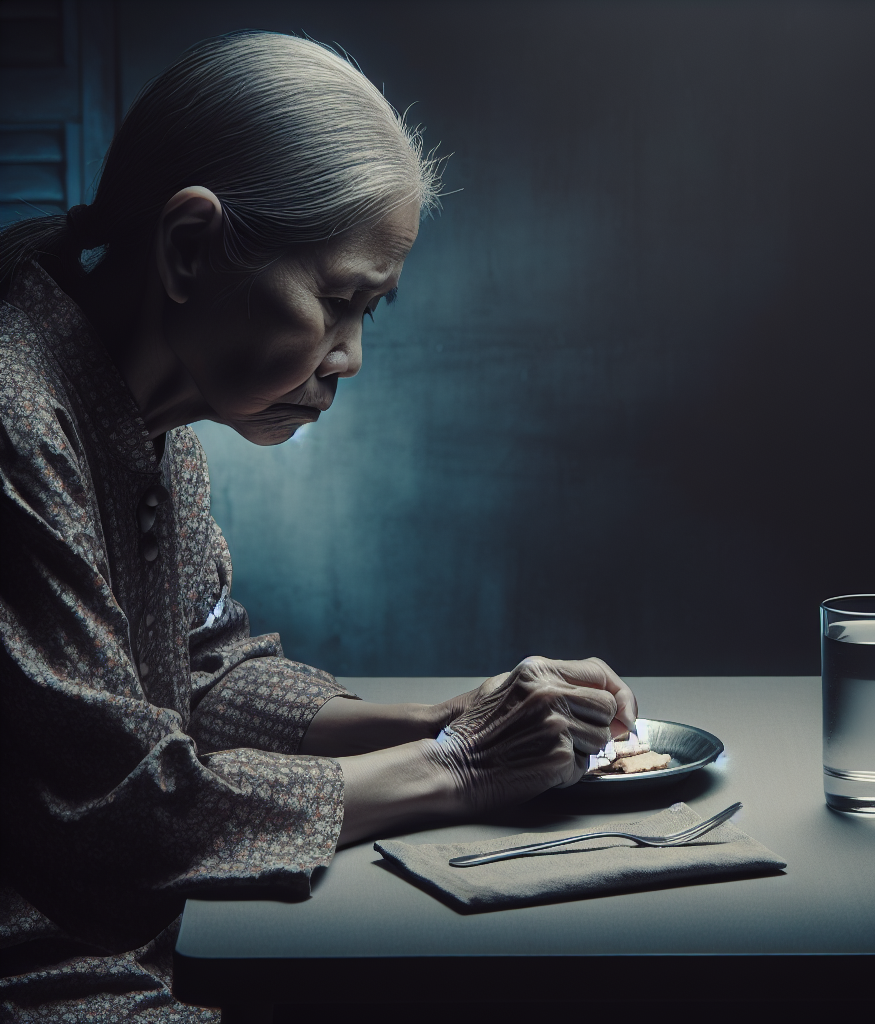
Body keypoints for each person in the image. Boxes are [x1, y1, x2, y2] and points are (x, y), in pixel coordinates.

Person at [0, 31, 637, 1022]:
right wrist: (457, 771)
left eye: (369, 313)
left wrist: (446, 718)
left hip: (152, 947)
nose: (348, 358)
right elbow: (126, 814)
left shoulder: (159, 424)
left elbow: (209, 673)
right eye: (337, 301)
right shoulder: (16, 418)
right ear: (189, 249)